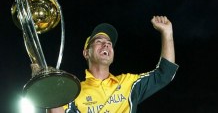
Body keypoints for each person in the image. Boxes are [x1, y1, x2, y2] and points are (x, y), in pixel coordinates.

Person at [48, 16, 179, 113]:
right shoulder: (75, 91)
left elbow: (165, 74)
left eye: (109, 43)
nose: (106, 44)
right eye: (99, 41)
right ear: (86, 53)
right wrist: (46, 86)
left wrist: (167, 33)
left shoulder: (129, 83)